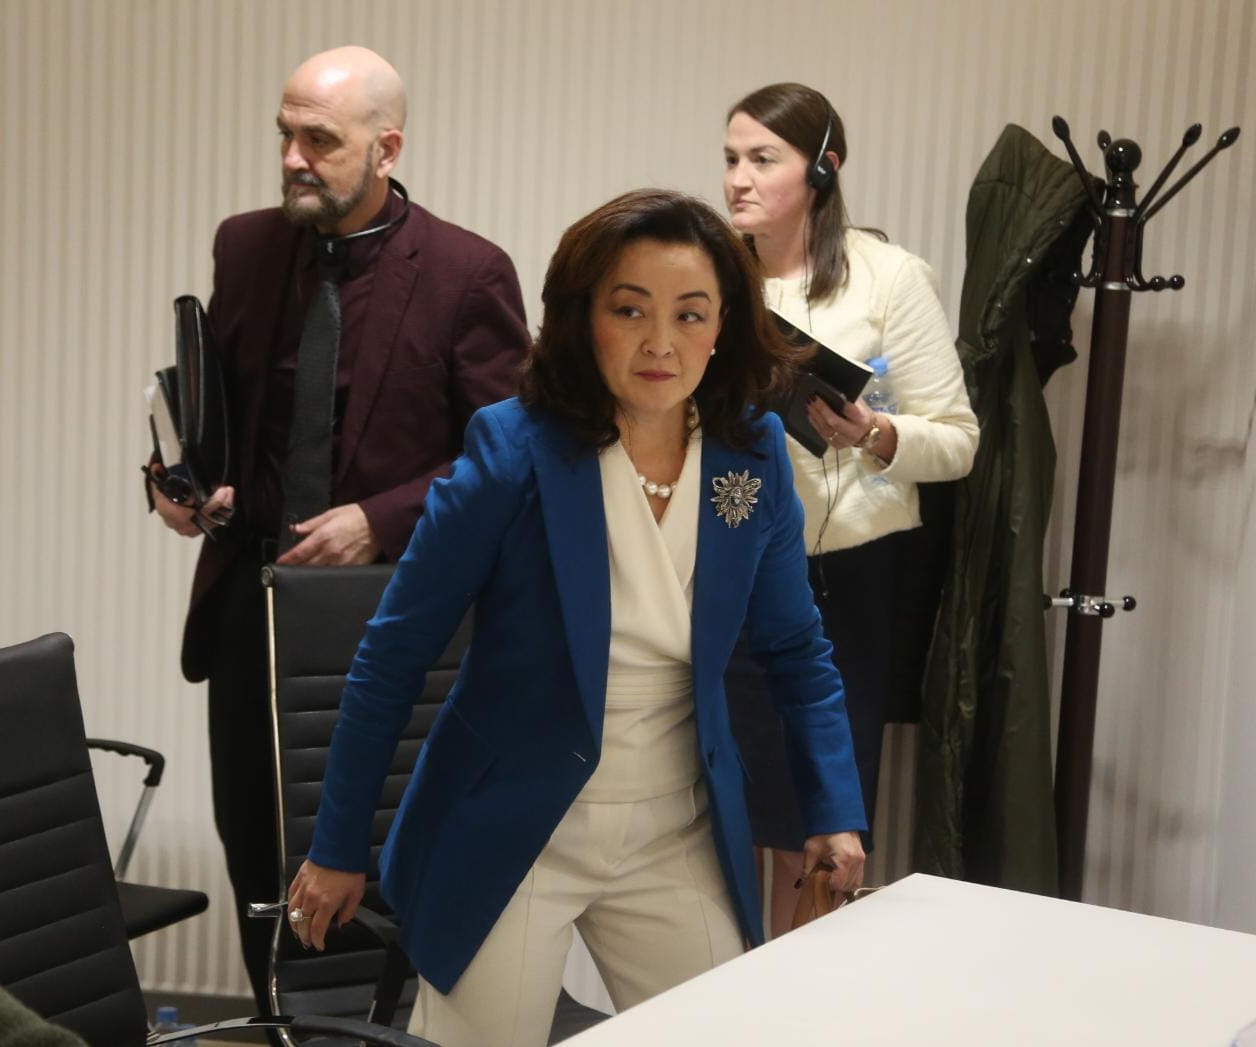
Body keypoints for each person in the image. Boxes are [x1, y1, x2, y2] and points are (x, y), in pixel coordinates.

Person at [284, 189, 867, 1047]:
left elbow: (797, 653)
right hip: (517, 829)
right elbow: (392, 655)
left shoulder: (751, 456)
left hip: (675, 828)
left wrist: (834, 808)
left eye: (689, 313)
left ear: (724, 326)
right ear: (582, 318)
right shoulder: (511, 449)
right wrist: (336, 847)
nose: (660, 342)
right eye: (629, 310)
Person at [146, 46, 530, 1007]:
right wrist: (176, 482)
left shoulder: (466, 272)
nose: (293, 158)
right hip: (255, 608)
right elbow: (215, 414)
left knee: (379, 859)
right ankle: (283, 1025)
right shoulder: (245, 247)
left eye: (319, 140)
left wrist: (380, 518)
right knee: (256, 853)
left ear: (386, 148)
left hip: (396, 618)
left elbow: (510, 458)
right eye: (285, 135)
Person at [722, 83, 979, 933]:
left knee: (814, 825)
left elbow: (959, 440)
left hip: (839, 579)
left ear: (823, 170)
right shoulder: (709, 269)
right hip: (714, 568)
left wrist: (874, 432)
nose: (738, 179)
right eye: (731, 158)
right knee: (713, 813)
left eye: (763, 159)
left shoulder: (889, 277)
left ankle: (795, 992)